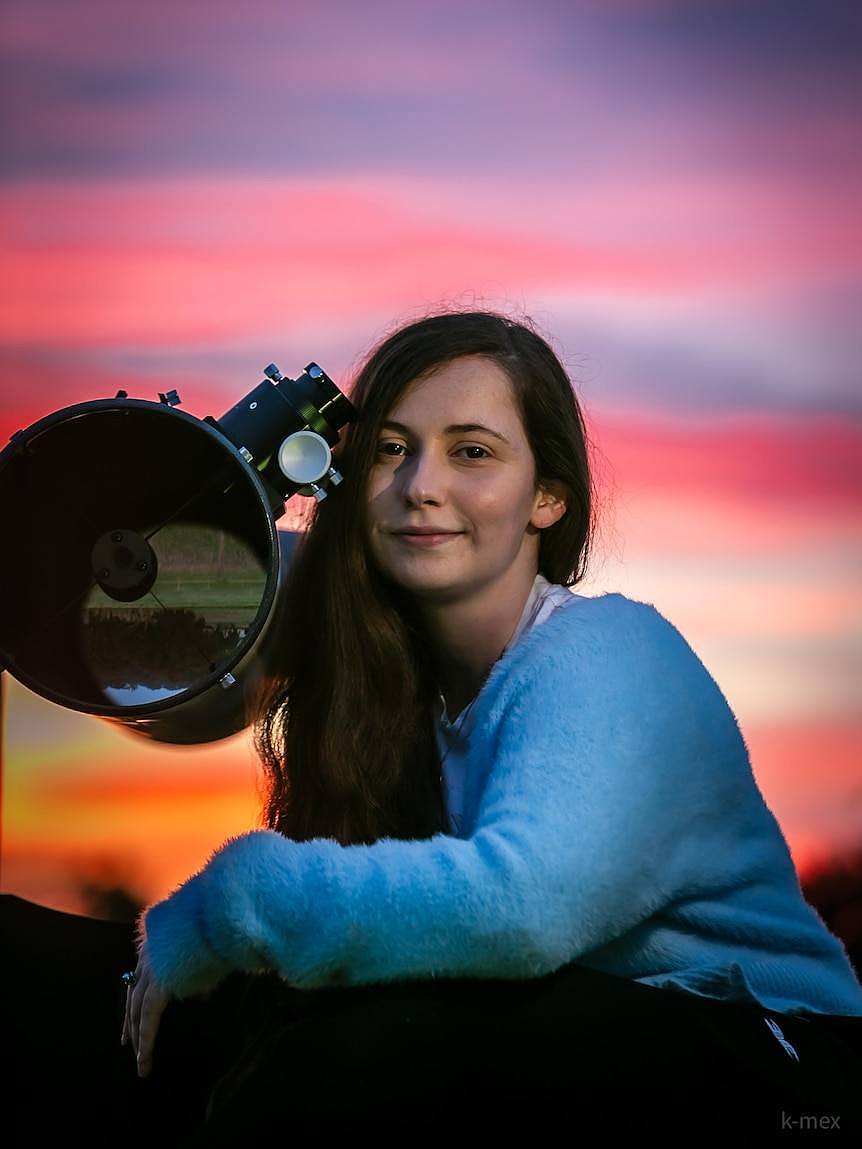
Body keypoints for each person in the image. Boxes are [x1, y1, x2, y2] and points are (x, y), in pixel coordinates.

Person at [4, 310, 862, 1145]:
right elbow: (169, 647)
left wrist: (235, 902)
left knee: (375, 1043)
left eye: (472, 452)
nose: (423, 486)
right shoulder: (373, 645)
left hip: (771, 1067)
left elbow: (521, 913)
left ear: (549, 498)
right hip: (542, 1041)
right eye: (391, 449)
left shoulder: (610, 649)